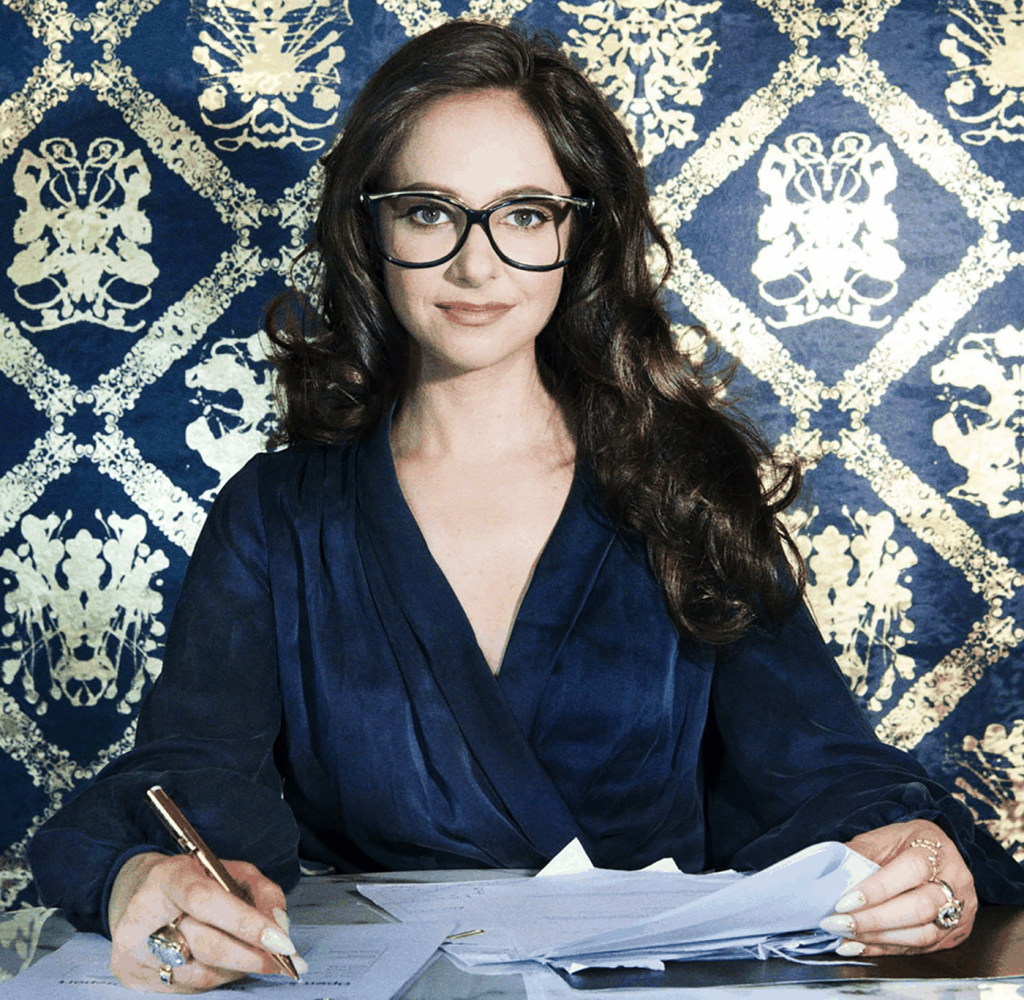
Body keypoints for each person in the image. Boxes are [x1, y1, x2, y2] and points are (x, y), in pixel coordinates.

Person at [28, 18, 1024, 994]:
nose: (476, 263)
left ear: (579, 233)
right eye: (427, 211)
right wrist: (144, 884)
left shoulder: (683, 489)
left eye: (523, 213)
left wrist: (910, 856)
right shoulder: (278, 517)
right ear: (368, 228)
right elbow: (186, 786)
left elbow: (824, 776)